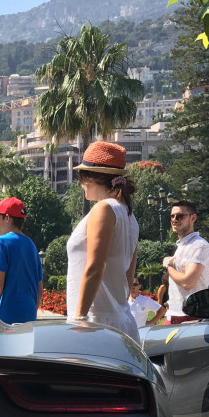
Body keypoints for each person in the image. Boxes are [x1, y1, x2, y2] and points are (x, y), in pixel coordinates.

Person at [65, 142, 140, 336]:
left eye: (80, 176)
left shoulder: (103, 209)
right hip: (120, 321)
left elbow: (95, 267)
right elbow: (128, 278)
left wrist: (79, 318)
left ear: (89, 178)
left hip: (95, 323)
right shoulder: (129, 216)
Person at [0, 196, 42, 323]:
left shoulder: (0, 243)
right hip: (29, 315)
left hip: (6, 317)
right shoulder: (31, 245)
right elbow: (39, 288)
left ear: (7, 218)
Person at [161, 198, 209, 324]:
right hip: (173, 315)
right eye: (172, 216)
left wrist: (168, 266)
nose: (174, 220)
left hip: (190, 317)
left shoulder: (199, 245)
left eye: (179, 216)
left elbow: (188, 282)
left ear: (193, 218)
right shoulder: (181, 246)